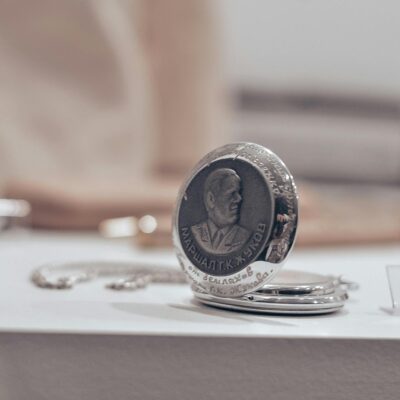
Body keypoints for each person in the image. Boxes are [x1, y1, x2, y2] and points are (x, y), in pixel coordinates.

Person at [191, 168, 250, 254]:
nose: (239, 199)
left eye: (239, 192)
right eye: (232, 193)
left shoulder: (244, 236)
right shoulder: (195, 233)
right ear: (211, 199)